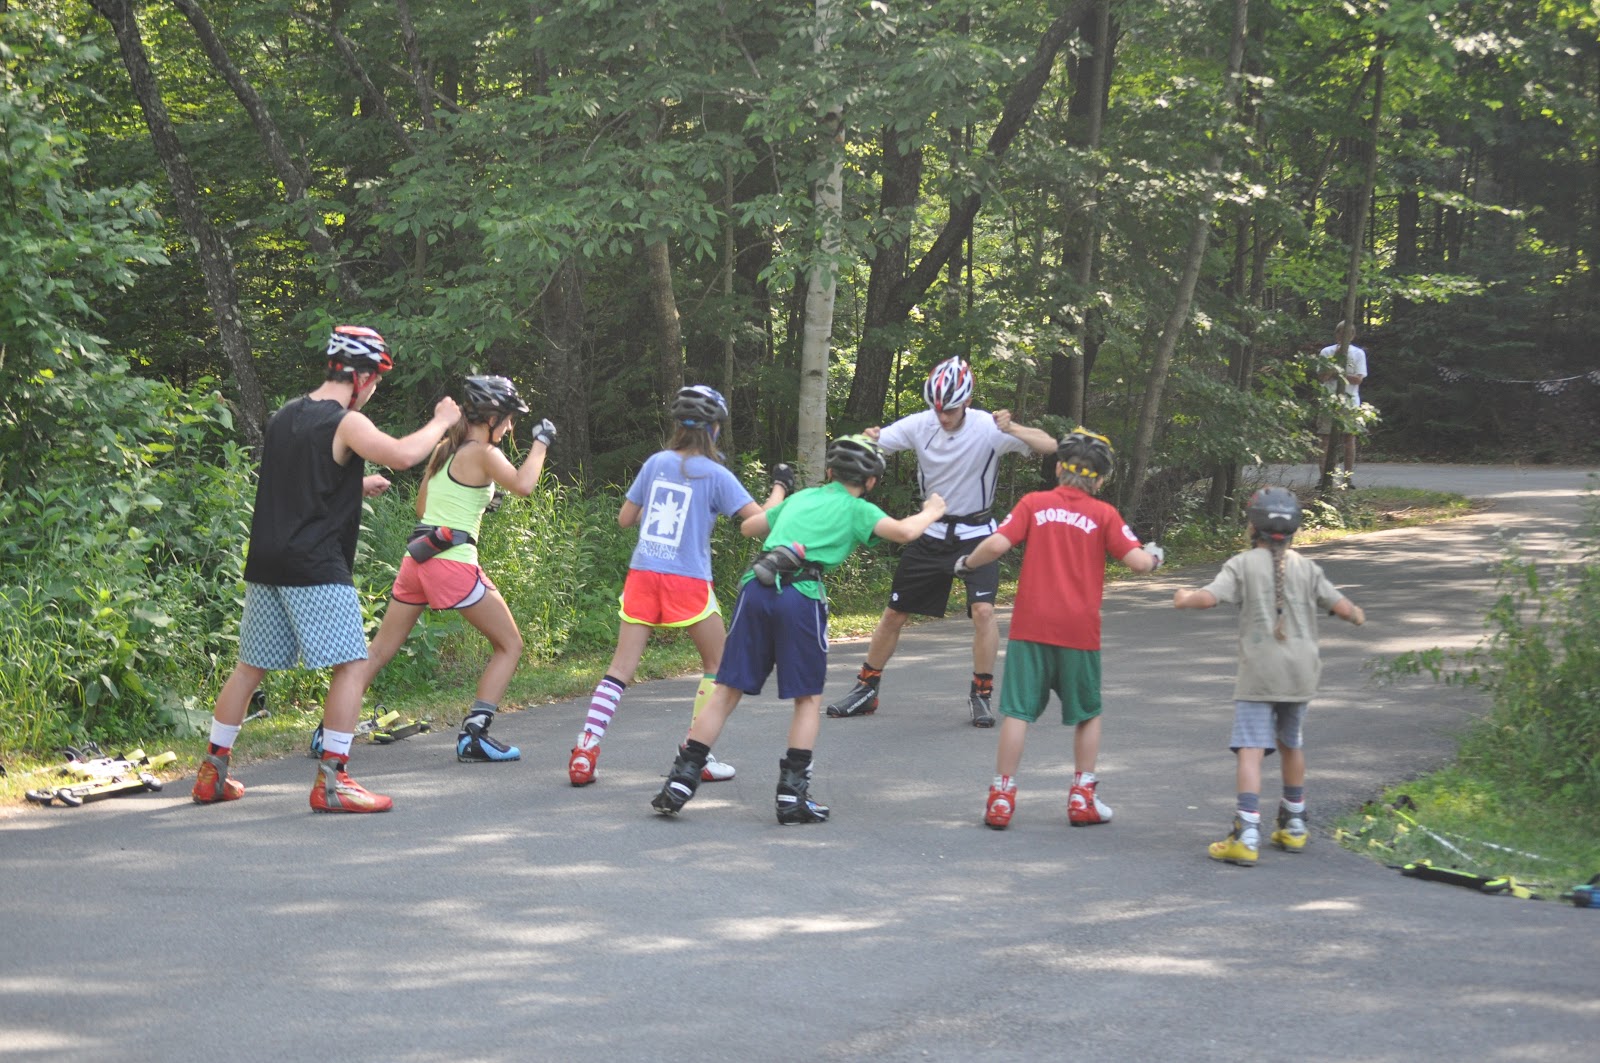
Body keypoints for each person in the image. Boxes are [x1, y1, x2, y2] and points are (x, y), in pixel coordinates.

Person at [191, 325, 460, 813]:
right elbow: (403, 455)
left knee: (249, 667)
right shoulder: (346, 422)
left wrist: (355, 484)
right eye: (376, 381)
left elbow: (298, 484)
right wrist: (442, 420)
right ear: (361, 377)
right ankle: (334, 780)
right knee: (352, 665)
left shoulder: (285, 415)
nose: (374, 389)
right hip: (314, 563)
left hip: (268, 562)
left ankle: (212, 772)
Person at [650, 435, 946, 824]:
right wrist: (932, 510)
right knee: (806, 699)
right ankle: (791, 797)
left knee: (725, 691)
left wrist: (779, 489)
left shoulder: (803, 497)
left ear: (829, 472)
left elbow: (750, 527)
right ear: (871, 481)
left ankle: (679, 783)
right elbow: (906, 532)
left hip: (756, 588)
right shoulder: (859, 509)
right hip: (801, 596)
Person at [567, 385, 788, 787]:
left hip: (643, 575)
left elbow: (625, 518)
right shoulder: (717, 474)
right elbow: (760, 523)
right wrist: (780, 489)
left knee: (619, 668)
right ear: (714, 429)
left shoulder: (656, 462)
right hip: (687, 580)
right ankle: (695, 753)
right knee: (719, 667)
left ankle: (585, 749)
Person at [825, 356, 1057, 727]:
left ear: (967, 401)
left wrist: (1012, 427)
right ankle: (866, 689)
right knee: (894, 613)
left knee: (983, 611)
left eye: (950, 410)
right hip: (931, 533)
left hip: (976, 536)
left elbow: (1049, 445)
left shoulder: (988, 427)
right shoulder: (921, 424)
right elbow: (873, 445)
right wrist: (867, 439)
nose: (943, 417)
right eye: (937, 409)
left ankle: (981, 694)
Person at [953, 429, 1164, 831]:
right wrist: (1154, 557)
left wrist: (967, 563)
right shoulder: (1104, 514)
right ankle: (1082, 798)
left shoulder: (1034, 503)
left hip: (1031, 626)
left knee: (1017, 712)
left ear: (1057, 469)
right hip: (1078, 632)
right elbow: (1138, 563)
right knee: (1087, 713)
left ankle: (1001, 798)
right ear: (1100, 480)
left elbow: (996, 545)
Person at [356, 374, 555, 766]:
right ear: (492, 418)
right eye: (509, 419)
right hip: (453, 562)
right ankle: (475, 735)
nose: (510, 427)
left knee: (378, 651)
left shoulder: (445, 450)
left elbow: (423, 508)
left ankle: (329, 730)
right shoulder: (483, 451)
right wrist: (542, 443)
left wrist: (479, 500)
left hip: (417, 560)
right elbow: (525, 485)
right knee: (510, 645)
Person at [1172, 486, 1365, 866]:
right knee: (1291, 744)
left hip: (1260, 675)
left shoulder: (1242, 564)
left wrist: (1183, 597)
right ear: (1294, 530)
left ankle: (1246, 833)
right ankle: (1294, 824)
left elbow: (1209, 598)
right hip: (1301, 674)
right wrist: (1357, 615)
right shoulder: (1306, 568)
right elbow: (1343, 607)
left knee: (1251, 748)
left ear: (1252, 526)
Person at [1314, 321, 1368, 480]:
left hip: (1350, 403)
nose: (1343, 337)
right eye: (1340, 333)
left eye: (1347, 334)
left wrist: (1339, 374)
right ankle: (1324, 478)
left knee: (1349, 438)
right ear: (1336, 334)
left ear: (1352, 336)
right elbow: (1323, 377)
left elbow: (1358, 379)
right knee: (1325, 439)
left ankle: (1347, 477)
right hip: (1328, 401)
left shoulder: (1358, 353)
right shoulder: (1326, 352)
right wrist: (1335, 361)